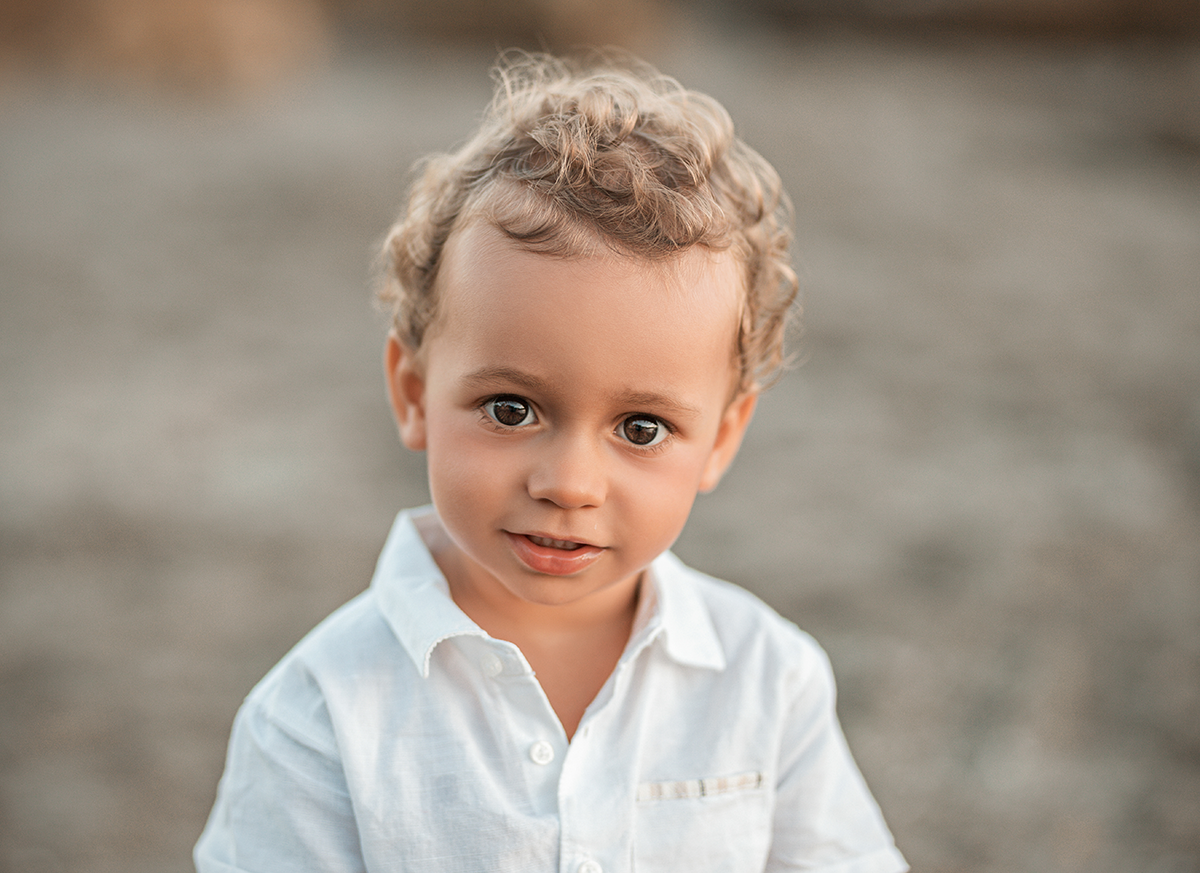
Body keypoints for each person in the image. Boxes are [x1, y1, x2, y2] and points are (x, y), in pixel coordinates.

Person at [194, 51, 907, 873]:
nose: (568, 483)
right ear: (414, 391)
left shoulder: (767, 682)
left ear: (721, 438)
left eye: (640, 428)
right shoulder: (318, 716)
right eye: (511, 409)